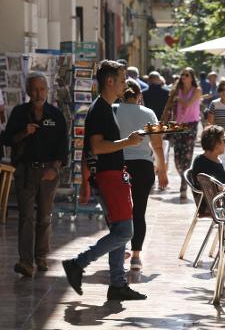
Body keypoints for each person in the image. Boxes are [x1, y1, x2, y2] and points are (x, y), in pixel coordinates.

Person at [62, 60, 146, 301]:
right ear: (109, 81)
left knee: (119, 230)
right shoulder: (100, 109)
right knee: (125, 231)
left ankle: (117, 283)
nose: (124, 84)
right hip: (109, 178)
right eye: (121, 80)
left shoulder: (106, 107)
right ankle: (78, 263)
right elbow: (96, 146)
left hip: (112, 176)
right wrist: (127, 143)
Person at [3, 72, 68, 277]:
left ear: (47, 90)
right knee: (26, 217)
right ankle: (25, 261)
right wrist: (24, 132)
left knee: (44, 216)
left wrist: (54, 168)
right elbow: (6, 139)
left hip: (49, 171)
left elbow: (62, 146)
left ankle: (41, 256)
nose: (38, 93)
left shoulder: (55, 115)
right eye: (34, 89)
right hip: (25, 171)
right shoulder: (19, 113)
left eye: (42, 89)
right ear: (27, 91)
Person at [114, 80, 168, 271]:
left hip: (119, 165)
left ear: (122, 94)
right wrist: (162, 169)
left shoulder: (113, 110)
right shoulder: (148, 113)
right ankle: (136, 256)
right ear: (139, 96)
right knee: (139, 211)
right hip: (144, 166)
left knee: (119, 211)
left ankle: (119, 251)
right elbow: (157, 145)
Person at [161, 67, 202, 200]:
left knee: (188, 156)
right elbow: (168, 106)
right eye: (182, 75)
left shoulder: (197, 90)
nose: (183, 77)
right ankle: (184, 176)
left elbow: (189, 104)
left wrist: (178, 99)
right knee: (177, 158)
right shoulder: (176, 90)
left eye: (186, 75)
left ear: (192, 77)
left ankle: (183, 185)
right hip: (178, 126)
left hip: (191, 126)